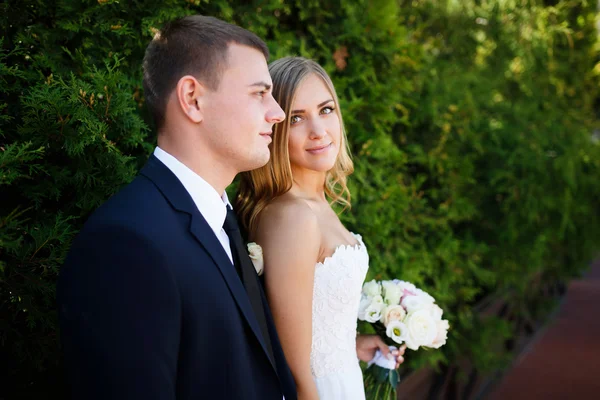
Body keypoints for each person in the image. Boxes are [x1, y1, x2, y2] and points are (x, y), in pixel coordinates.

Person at [57, 15, 296, 400]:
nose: (278, 113)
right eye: (258, 93)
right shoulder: (126, 244)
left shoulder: (222, 218)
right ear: (193, 99)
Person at [235, 57, 406, 400]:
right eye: (297, 118)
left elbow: (305, 329)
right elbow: (292, 368)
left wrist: (352, 345)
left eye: (326, 109)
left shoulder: (314, 204)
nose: (318, 130)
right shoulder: (292, 216)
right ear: (275, 128)